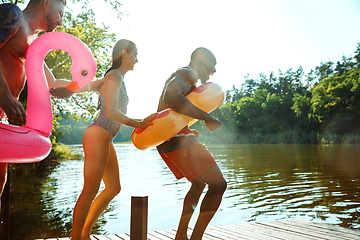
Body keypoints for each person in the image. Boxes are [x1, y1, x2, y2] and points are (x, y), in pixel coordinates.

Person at [0, 0, 107, 207]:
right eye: (61, 13)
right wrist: (4, 94)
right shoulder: (11, 14)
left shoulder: (34, 41)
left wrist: (92, 86)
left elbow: (53, 85)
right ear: (46, 3)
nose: (60, 22)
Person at [71, 39, 156, 240]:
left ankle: (84, 233)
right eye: (135, 54)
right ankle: (76, 237)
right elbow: (111, 112)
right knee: (90, 189)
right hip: (98, 133)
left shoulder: (117, 78)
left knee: (113, 187)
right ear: (124, 54)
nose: (137, 59)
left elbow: (116, 112)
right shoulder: (114, 76)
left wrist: (144, 122)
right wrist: (139, 124)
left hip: (105, 137)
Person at [156, 47, 227, 240]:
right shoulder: (187, 73)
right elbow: (171, 96)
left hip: (170, 142)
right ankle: (195, 238)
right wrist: (206, 118)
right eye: (212, 65)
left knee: (198, 185)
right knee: (219, 185)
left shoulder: (186, 77)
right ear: (202, 61)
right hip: (179, 144)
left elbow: (172, 111)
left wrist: (186, 129)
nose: (213, 71)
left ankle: (181, 235)